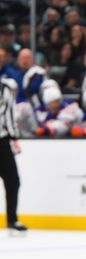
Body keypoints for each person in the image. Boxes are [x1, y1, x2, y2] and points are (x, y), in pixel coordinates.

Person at [0, 77, 26, 234]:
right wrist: (14, 136)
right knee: (12, 181)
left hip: (2, 141)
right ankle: (12, 220)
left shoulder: (5, 87)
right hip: (1, 141)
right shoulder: (5, 88)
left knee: (12, 181)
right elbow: (8, 115)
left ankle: (12, 219)